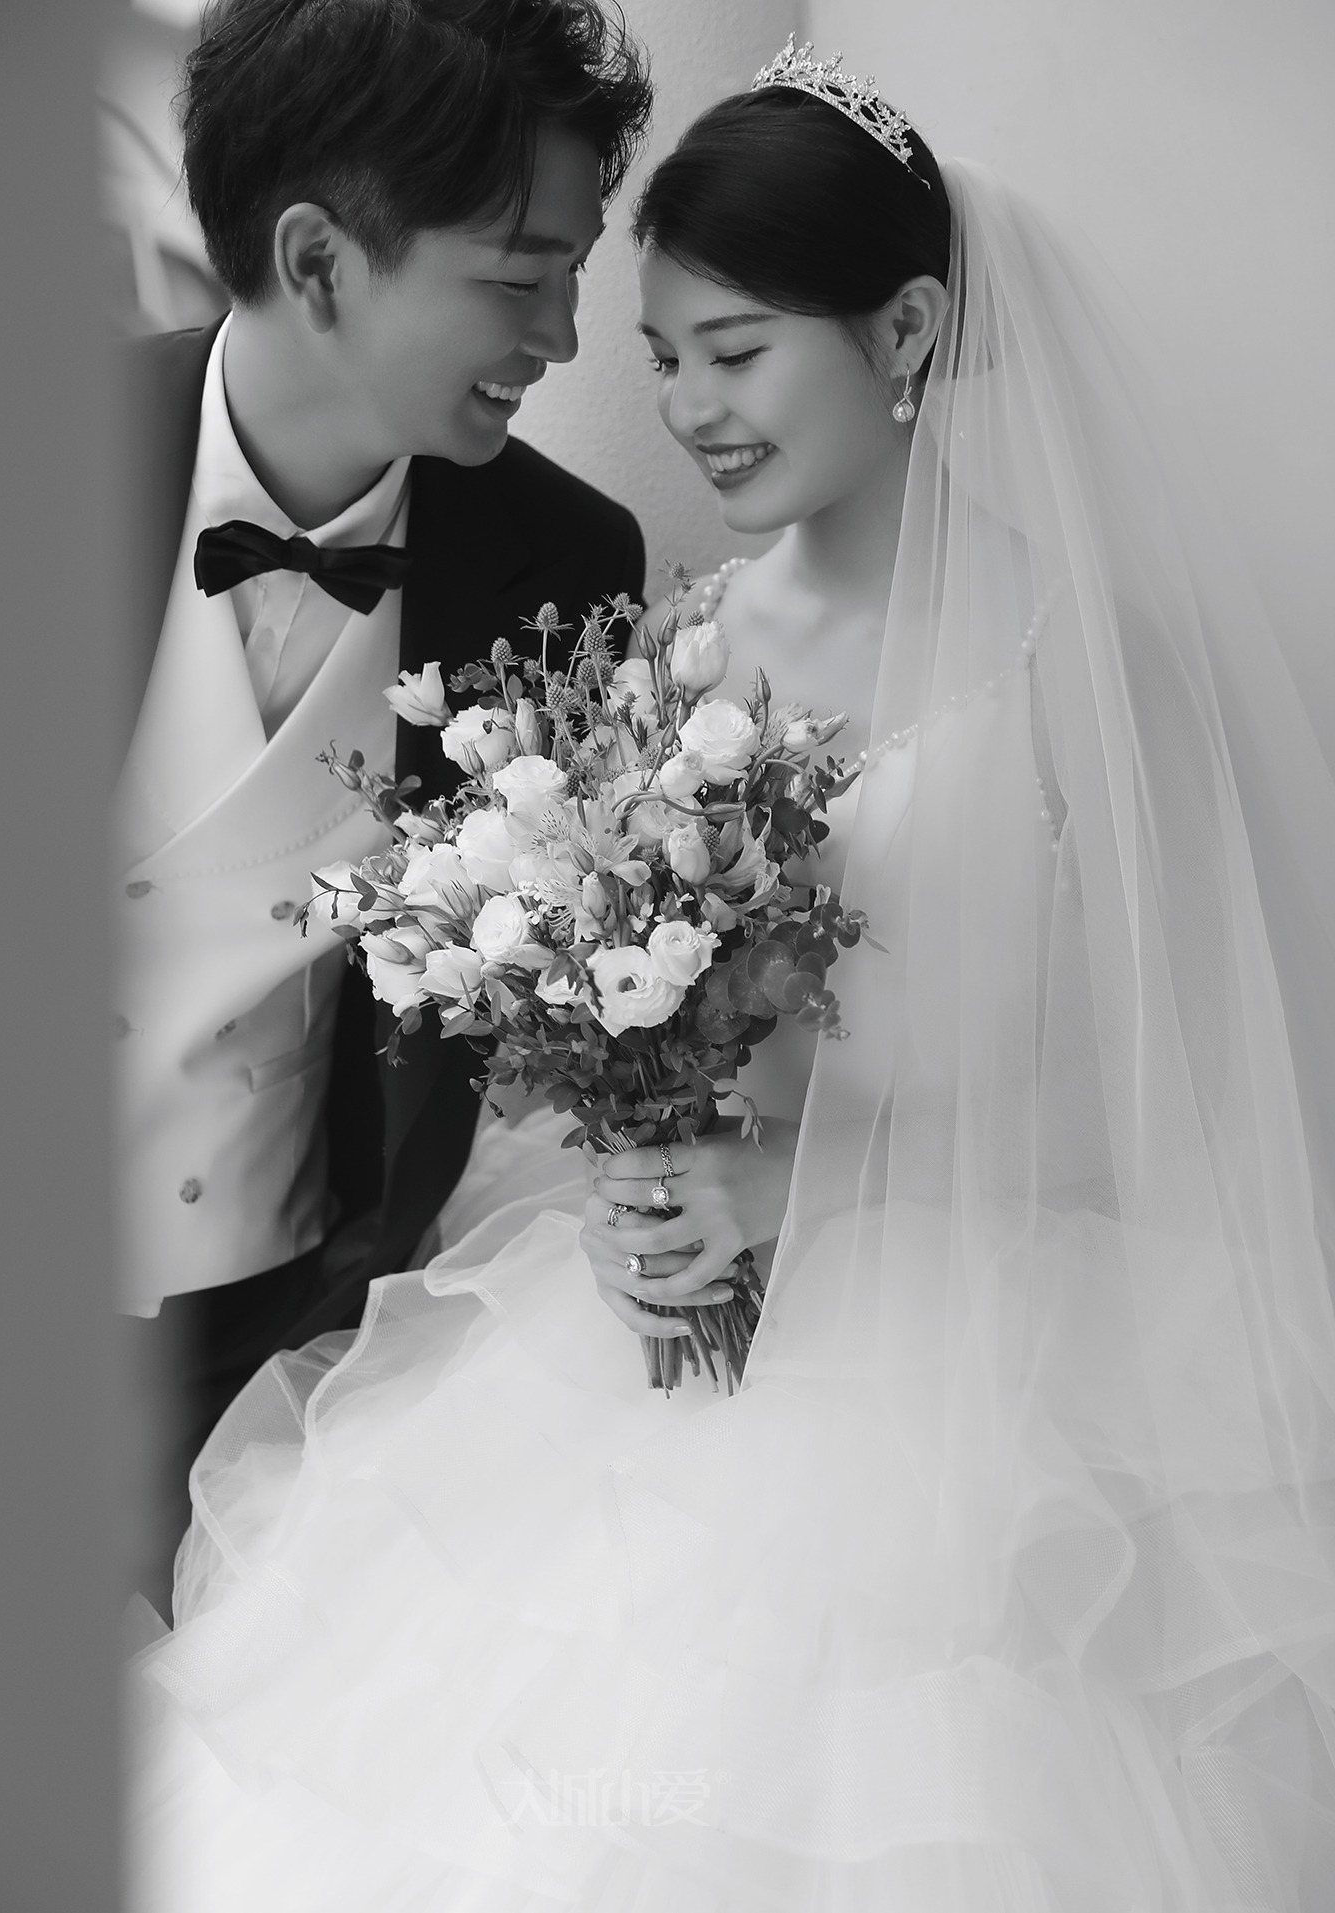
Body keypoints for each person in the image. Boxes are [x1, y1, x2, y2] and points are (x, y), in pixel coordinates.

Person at [127, 41, 1335, 1909]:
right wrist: (625, 1167)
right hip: (631, 1354)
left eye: (736, 351)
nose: (684, 407)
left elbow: (1172, 1099)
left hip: (986, 1390)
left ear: (908, 332)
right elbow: (603, 1021)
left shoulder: (1087, 668)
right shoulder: (665, 640)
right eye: (663, 353)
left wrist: (800, 1182)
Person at [113, 0, 652, 1621]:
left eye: (575, 273)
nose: (565, 337)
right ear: (320, 260)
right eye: (519, 276)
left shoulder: (569, 568)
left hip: (294, 1368)